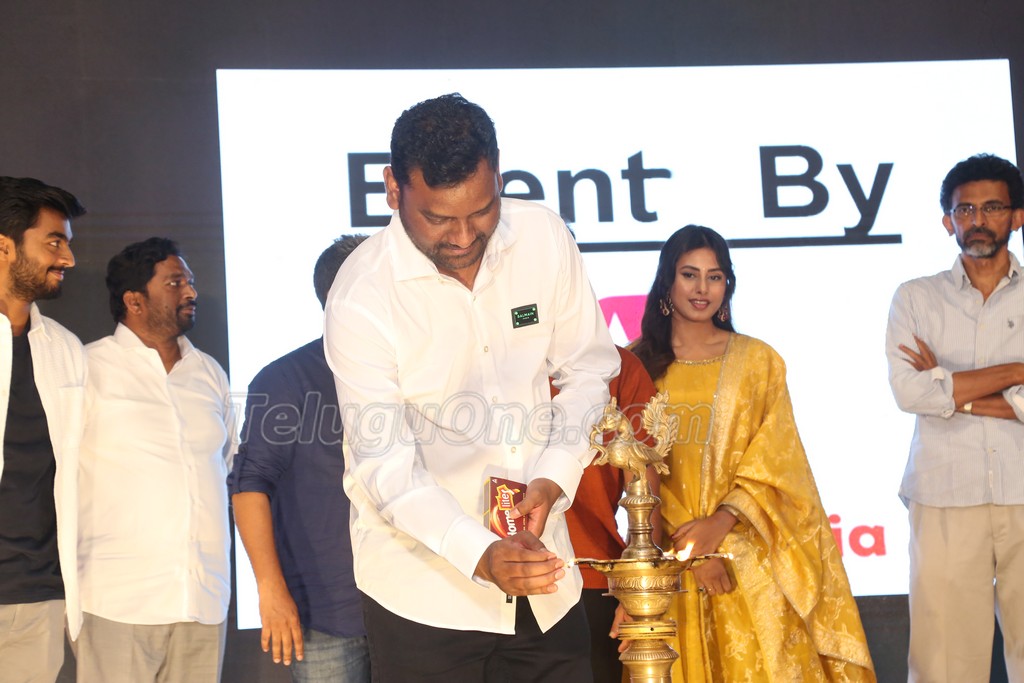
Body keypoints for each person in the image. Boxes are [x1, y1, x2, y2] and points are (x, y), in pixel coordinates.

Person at [324, 93, 620, 682]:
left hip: (546, 579)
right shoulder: (362, 297)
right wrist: (479, 552)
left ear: (499, 175)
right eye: (438, 218)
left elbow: (588, 371)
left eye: (481, 211)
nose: (463, 236)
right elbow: (383, 463)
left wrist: (555, 475)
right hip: (425, 595)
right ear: (393, 188)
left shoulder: (543, 238)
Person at [632, 225, 875, 682]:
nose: (702, 288)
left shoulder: (759, 361)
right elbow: (633, 469)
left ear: (728, 285)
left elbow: (779, 462)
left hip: (749, 563)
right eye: (689, 274)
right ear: (667, 281)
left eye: (715, 277)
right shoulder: (636, 365)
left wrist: (721, 524)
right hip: (667, 564)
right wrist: (691, 551)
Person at [886, 153, 1024, 682]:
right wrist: (1015, 372)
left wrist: (950, 388)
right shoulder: (916, 298)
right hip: (945, 490)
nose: (977, 220)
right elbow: (910, 392)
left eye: (992, 207)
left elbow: (932, 392)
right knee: (943, 663)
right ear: (948, 221)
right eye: (965, 210)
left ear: (1017, 217)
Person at [76, 237, 237, 683]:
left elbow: (227, 468)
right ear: (134, 301)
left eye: (190, 282)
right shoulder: (86, 368)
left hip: (203, 601)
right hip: (118, 602)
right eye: (175, 283)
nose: (191, 292)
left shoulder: (209, 372)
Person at [231, 234, 370, 682]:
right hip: (326, 613)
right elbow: (249, 485)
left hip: (412, 608)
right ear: (341, 296)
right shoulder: (285, 379)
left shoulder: (418, 371)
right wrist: (270, 590)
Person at [0, 177, 86, 683]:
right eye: (54, 242)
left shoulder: (66, 350)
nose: (68, 258)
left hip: (38, 597)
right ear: (4, 247)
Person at [560, 346, 658, 683]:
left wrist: (640, 591)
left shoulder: (619, 366)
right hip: (487, 573)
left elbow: (644, 485)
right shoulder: (485, 354)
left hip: (590, 576)